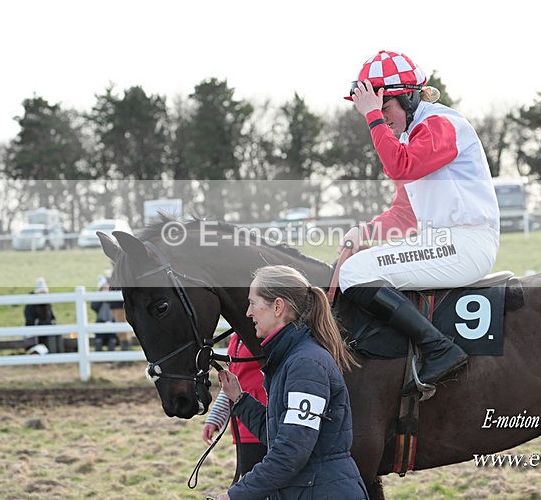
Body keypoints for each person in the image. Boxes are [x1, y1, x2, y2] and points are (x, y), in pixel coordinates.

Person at [340, 50, 500, 393]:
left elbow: (400, 166)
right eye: (374, 111)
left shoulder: (441, 124)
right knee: (355, 266)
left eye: (385, 109)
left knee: (356, 274)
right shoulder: (410, 136)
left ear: (410, 97)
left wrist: (371, 116)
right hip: (441, 244)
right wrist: (365, 231)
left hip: (465, 243)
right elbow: (405, 214)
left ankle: (438, 348)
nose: (380, 119)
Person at [214, 265, 368, 500]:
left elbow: (290, 452)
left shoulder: (305, 364)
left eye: (253, 303)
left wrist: (235, 495)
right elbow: (280, 436)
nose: (248, 313)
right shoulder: (292, 359)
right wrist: (240, 399)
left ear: (277, 307)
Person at [202, 333, 267, 483]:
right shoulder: (236, 337)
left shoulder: (265, 332)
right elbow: (234, 382)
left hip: (262, 420)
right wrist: (215, 418)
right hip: (243, 422)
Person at [23, 277, 63, 354]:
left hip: (46, 327)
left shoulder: (47, 304)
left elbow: (52, 316)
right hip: (36, 330)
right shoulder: (31, 305)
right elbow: (30, 321)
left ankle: (58, 354)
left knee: (56, 333)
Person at [90, 275, 118, 352]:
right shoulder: (98, 296)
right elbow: (94, 307)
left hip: (112, 321)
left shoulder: (114, 296)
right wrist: (102, 297)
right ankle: (98, 358)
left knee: (112, 340)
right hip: (100, 321)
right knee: (98, 340)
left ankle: (111, 357)